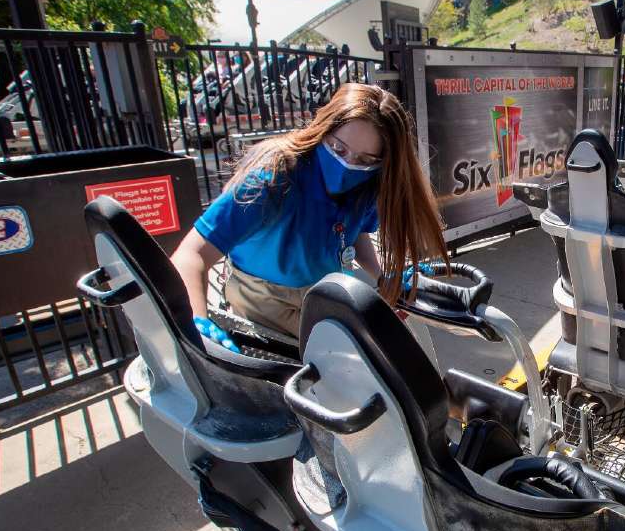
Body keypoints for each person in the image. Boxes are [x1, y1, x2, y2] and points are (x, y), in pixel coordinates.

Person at [170, 82, 449, 339]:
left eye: (365, 159)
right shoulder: (273, 177)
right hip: (264, 301)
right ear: (322, 130)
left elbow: (354, 232)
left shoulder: (368, 182)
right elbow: (191, 254)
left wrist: (382, 275)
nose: (348, 164)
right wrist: (196, 322)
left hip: (325, 291)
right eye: (338, 148)